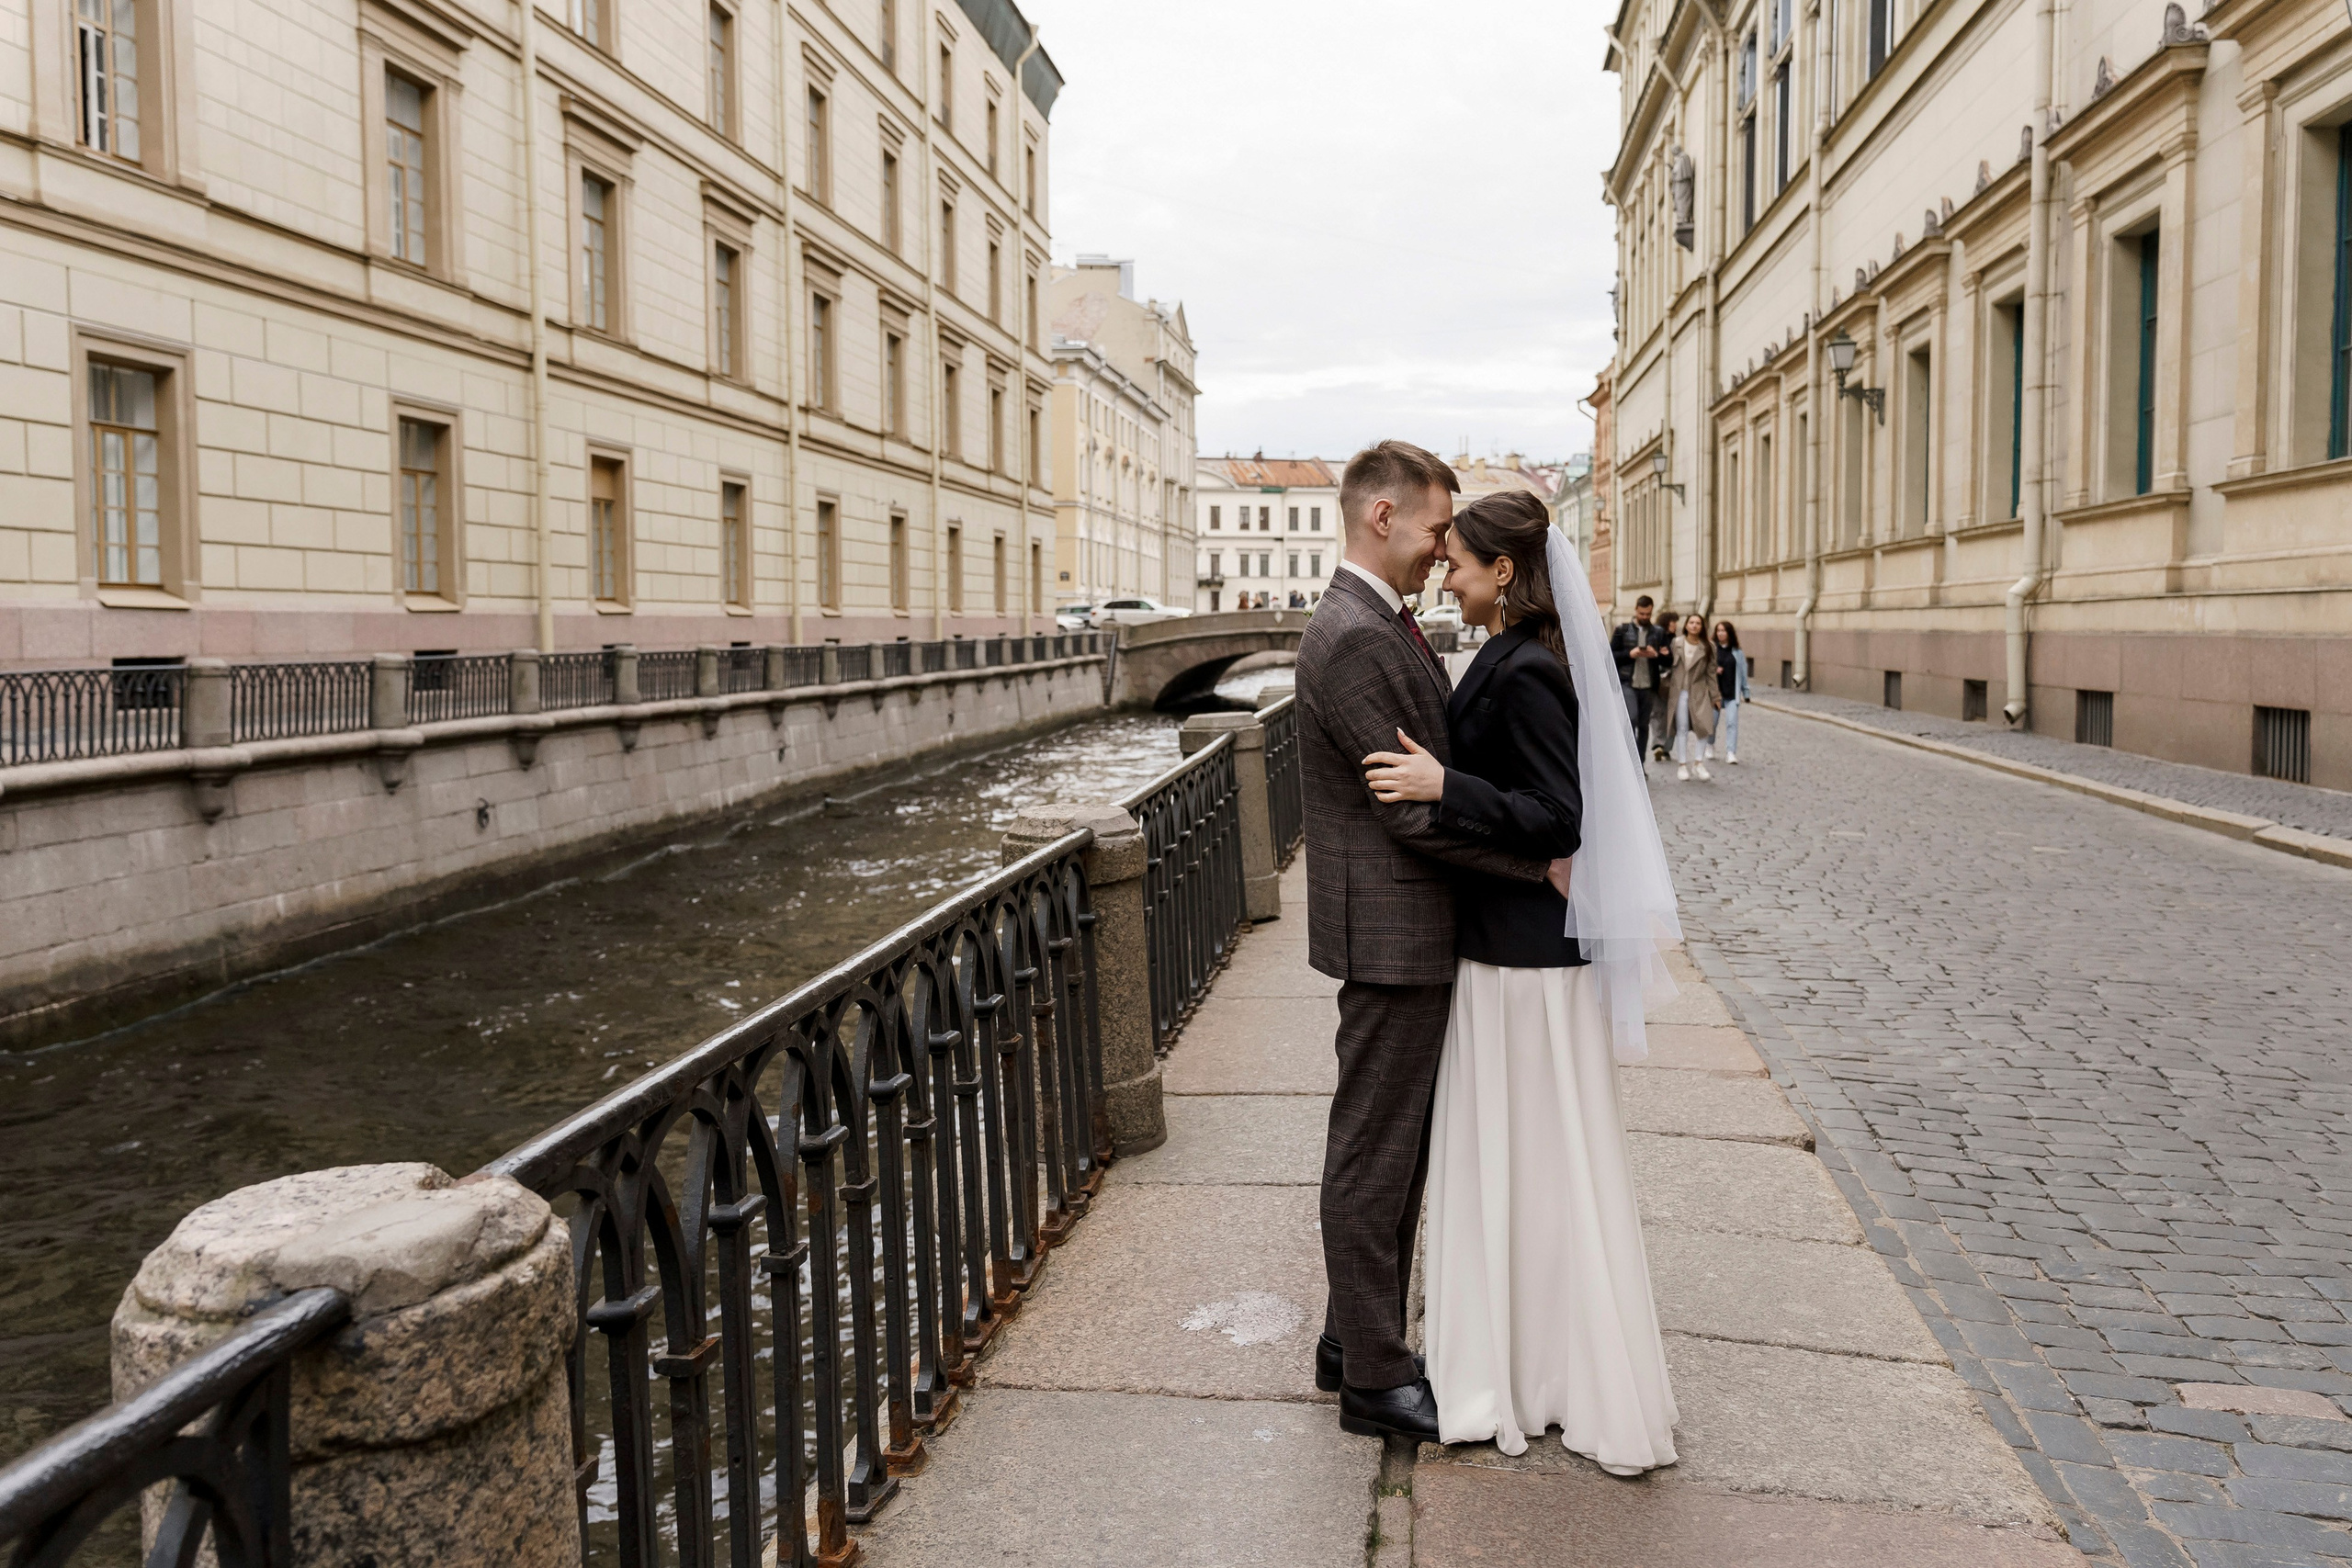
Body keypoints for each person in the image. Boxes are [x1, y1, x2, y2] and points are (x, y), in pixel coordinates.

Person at [1362, 488, 1682, 1473]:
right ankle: (1532, 1371)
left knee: (1540, 1170)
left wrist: (1441, 787)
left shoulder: (1530, 667)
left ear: (1504, 573)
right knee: (1532, 1171)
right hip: (1505, 954)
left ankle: (1537, 1376)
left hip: (1524, 966)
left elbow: (1558, 818)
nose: (1446, 576)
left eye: (1458, 563)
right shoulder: (1508, 655)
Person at [1293, 440, 1561, 1445]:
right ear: (1382, 518)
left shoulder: (1376, 620)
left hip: (1399, 926)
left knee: (1388, 1150)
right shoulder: (1358, 634)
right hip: (1394, 933)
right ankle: (1372, 1378)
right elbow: (1408, 815)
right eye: (1436, 529)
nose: (1442, 549)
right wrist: (1536, 869)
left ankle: (1344, 1338)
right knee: (1375, 1157)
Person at [1609, 596, 1670, 758]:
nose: (1645, 617)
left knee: (1643, 725)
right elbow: (1610, 656)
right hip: (1628, 682)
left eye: (1648, 614)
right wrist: (1630, 654)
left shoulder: (1658, 632)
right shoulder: (1622, 630)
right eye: (1642, 613)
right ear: (1636, 610)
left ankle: (1640, 764)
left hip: (1649, 685)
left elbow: (1668, 659)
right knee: (1631, 719)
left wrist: (1656, 655)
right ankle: (1629, 759)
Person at [1662, 613, 1720, 781]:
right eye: (1691, 622)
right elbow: (1669, 664)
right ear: (1686, 625)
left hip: (1699, 692)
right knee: (1682, 728)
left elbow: (1711, 673)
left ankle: (1698, 763)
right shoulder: (1677, 643)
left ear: (1702, 627)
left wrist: (1715, 696)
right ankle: (1682, 765)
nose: (1694, 626)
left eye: (1698, 623)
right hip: (1679, 692)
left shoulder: (1708, 646)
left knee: (1704, 727)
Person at [1713, 619, 1747, 764]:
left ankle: (1730, 752)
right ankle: (1709, 745)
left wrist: (1746, 692)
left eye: (1723, 631)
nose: (1721, 633)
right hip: (1715, 693)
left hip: (1732, 692)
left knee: (1731, 722)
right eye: (1718, 630)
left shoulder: (1737, 652)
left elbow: (1743, 672)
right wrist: (1714, 670)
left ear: (1729, 633)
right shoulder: (1712, 649)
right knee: (1712, 723)